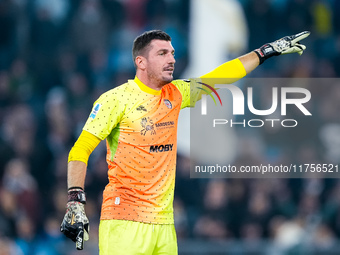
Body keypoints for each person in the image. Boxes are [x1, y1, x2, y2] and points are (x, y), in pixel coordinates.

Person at [60, 30, 310, 254]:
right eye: (162, 53)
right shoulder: (114, 100)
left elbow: (220, 77)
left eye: (172, 53)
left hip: (164, 225)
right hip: (125, 221)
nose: (172, 60)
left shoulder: (177, 93)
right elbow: (80, 150)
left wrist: (264, 52)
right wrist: (75, 200)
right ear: (141, 62)